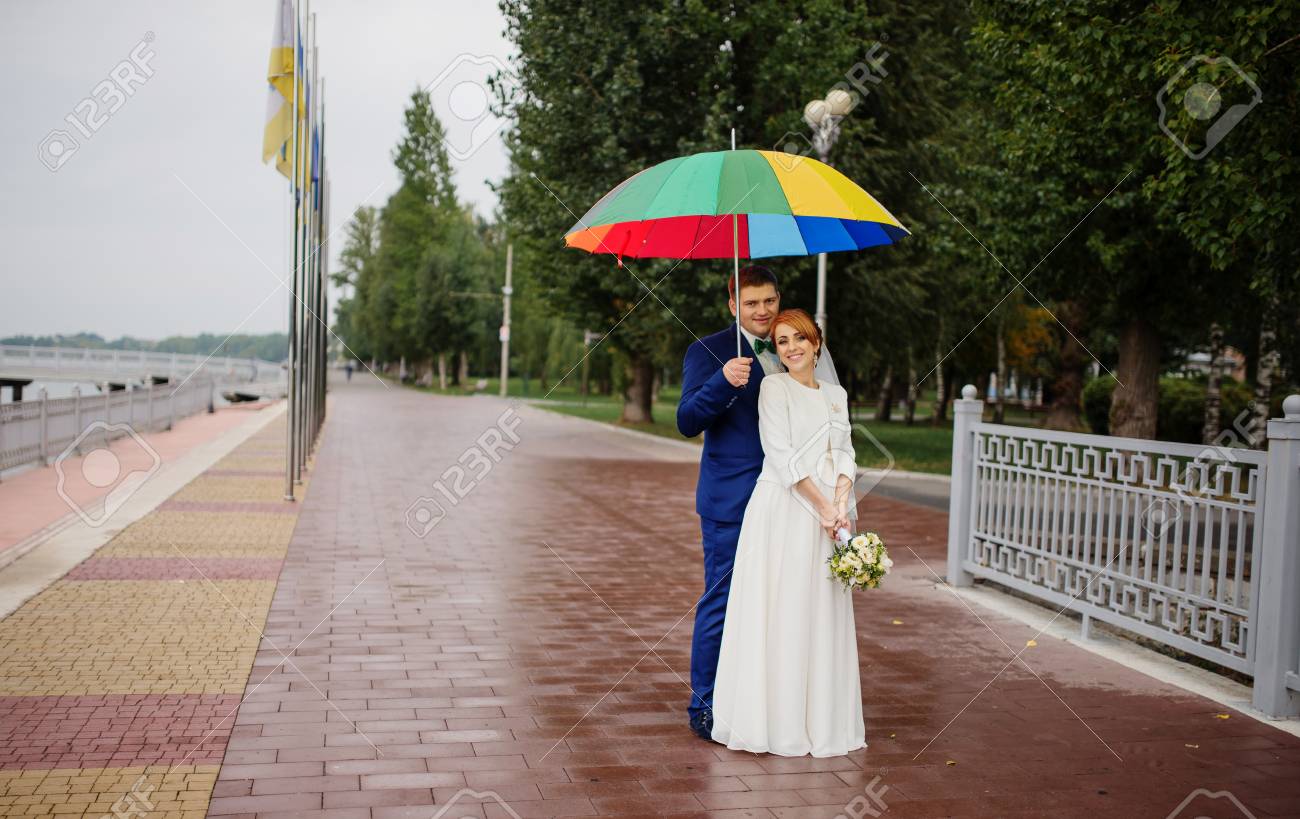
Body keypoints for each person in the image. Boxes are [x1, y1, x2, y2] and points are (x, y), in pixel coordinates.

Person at [709, 307, 865, 757]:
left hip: (827, 517)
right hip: (785, 507)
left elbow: (846, 450)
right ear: (775, 351)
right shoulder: (773, 389)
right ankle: (774, 722)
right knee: (782, 607)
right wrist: (822, 508)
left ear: (816, 343)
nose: (792, 348)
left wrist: (840, 502)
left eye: (799, 339)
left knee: (819, 608)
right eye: (781, 342)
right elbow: (782, 455)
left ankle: (820, 720)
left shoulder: (837, 394)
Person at [676, 264, 783, 740]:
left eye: (770, 300)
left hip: (785, 498)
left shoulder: (791, 345)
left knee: (776, 603)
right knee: (721, 600)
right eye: (752, 302)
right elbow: (686, 420)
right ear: (733, 305)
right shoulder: (708, 351)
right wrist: (722, 382)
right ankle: (705, 702)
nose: (762, 311)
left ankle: (761, 698)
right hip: (731, 501)